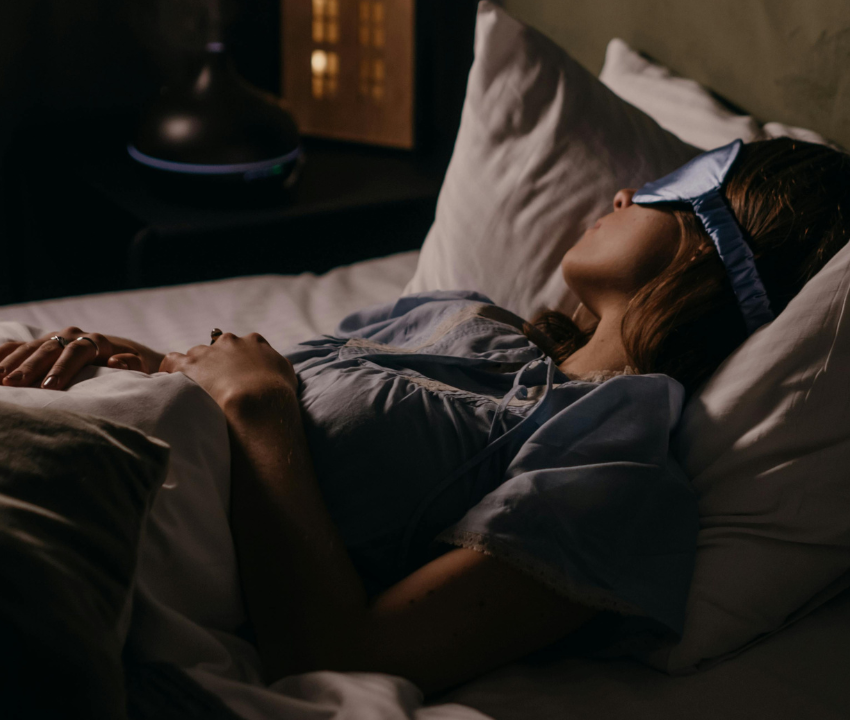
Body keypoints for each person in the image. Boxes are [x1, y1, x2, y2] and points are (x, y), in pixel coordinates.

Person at [1, 137, 849, 696]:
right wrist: (128, 357)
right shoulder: (462, 316)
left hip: (90, 505)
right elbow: (227, 382)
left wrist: (260, 411)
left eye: (671, 189)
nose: (626, 192)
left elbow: (344, 657)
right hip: (69, 405)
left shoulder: (617, 468)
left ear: (726, 245)